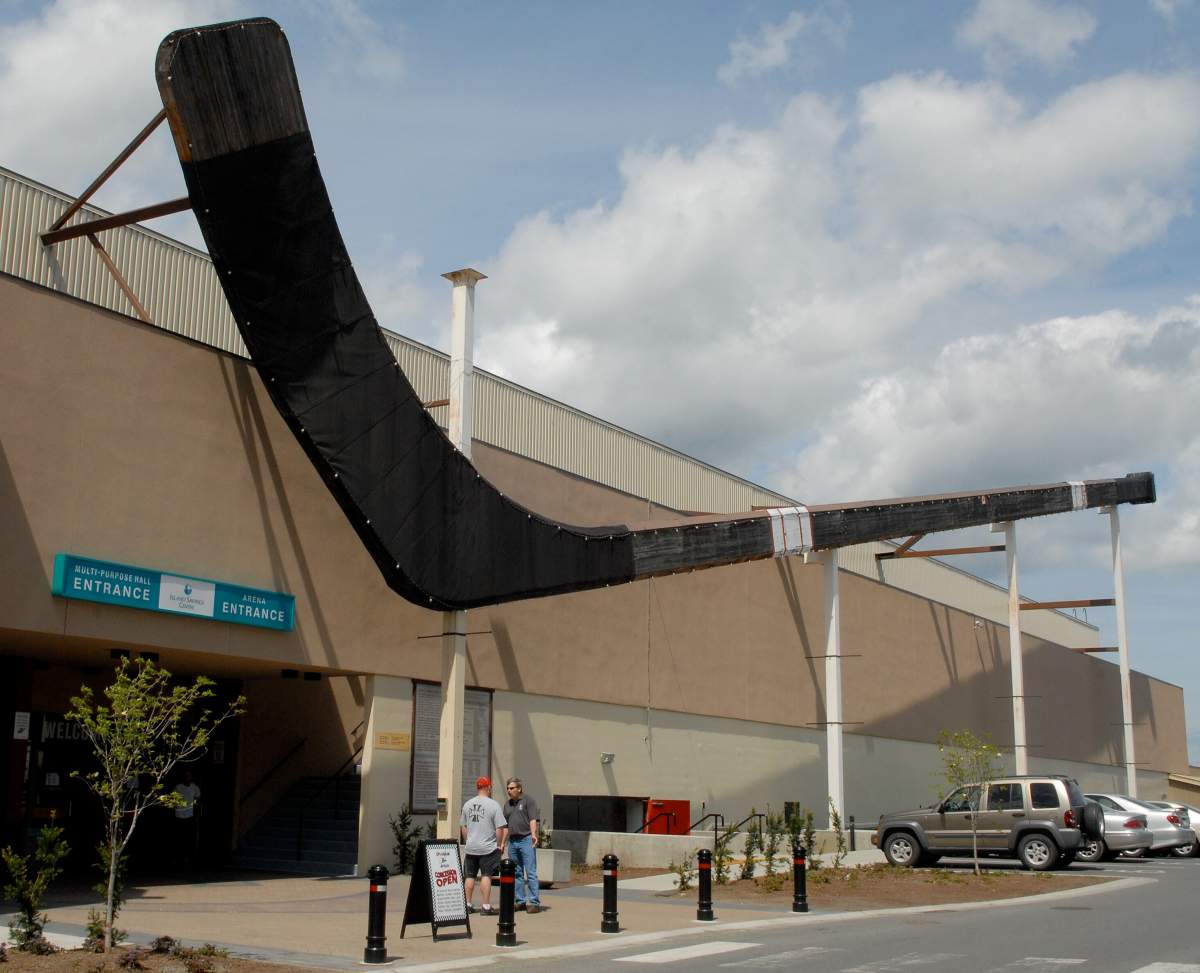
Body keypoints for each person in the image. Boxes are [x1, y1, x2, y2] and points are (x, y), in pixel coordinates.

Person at [460, 776, 507, 915]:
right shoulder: (493, 805)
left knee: (469, 876)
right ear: (489, 788)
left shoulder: (467, 804)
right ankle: (486, 906)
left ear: (477, 787)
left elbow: (463, 827)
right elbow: (499, 828)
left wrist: (468, 840)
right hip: (488, 848)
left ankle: (467, 904)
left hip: (471, 847)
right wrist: (498, 844)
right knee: (486, 876)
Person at [502, 777, 541, 913]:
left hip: (526, 839)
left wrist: (533, 834)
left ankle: (534, 902)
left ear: (519, 788)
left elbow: (532, 819)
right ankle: (520, 901)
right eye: (508, 788)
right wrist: (502, 843)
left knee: (530, 872)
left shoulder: (528, 801)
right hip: (513, 841)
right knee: (517, 872)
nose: (509, 790)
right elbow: (506, 826)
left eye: (512, 788)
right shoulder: (507, 805)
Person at [173, 769, 201, 870]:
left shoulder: (195, 788)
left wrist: (196, 815)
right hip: (179, 815)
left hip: (190, 816)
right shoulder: (178, 787)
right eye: (185, 776)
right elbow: (174, 800)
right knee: (179, 839)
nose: (187, 778)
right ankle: (179, 860)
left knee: (190, 839)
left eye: (189, 776)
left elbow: (197, 801)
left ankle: (190, 860)